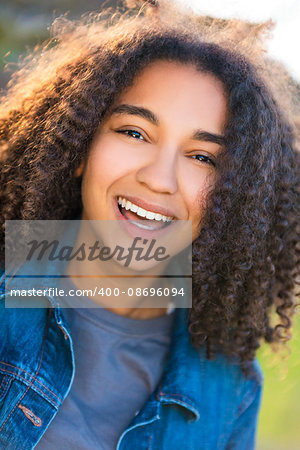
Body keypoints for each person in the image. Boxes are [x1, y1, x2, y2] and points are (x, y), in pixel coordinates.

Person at [0, 1, 299, 449]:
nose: (159, 179)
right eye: (134, 132)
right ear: (79, 146)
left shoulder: (229, 388)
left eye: (202, 157)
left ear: (232, 200)